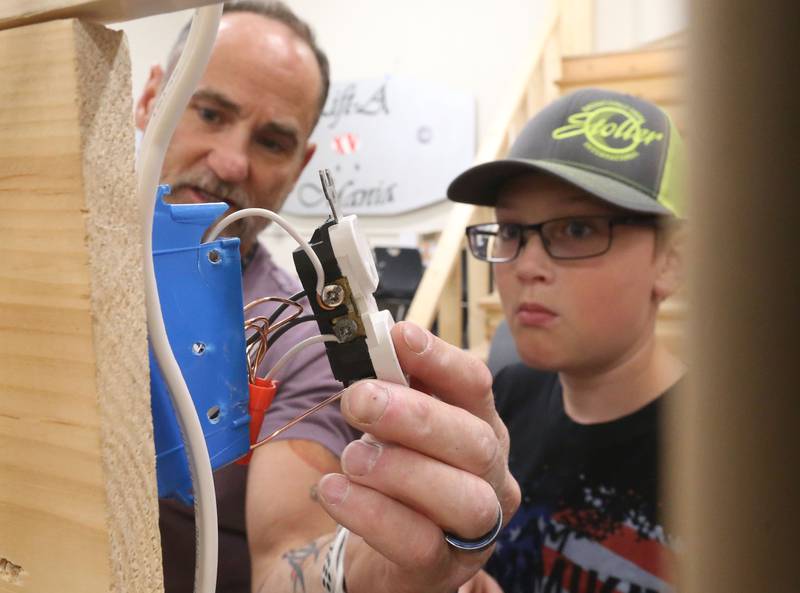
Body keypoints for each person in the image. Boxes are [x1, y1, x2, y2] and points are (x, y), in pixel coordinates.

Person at [135, 2, 519, 592]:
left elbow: (286, 549)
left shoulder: (300, 339)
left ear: (301, 165)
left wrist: (372, 572)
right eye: (210, 112)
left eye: (272, 142)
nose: (232, 161)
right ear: (150, 100)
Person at [447, 88, 686, 593]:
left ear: (670, 261)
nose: (527, 266)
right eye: (511, 230)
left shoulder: (734, 452)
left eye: (576, 229)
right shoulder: (506, 401)